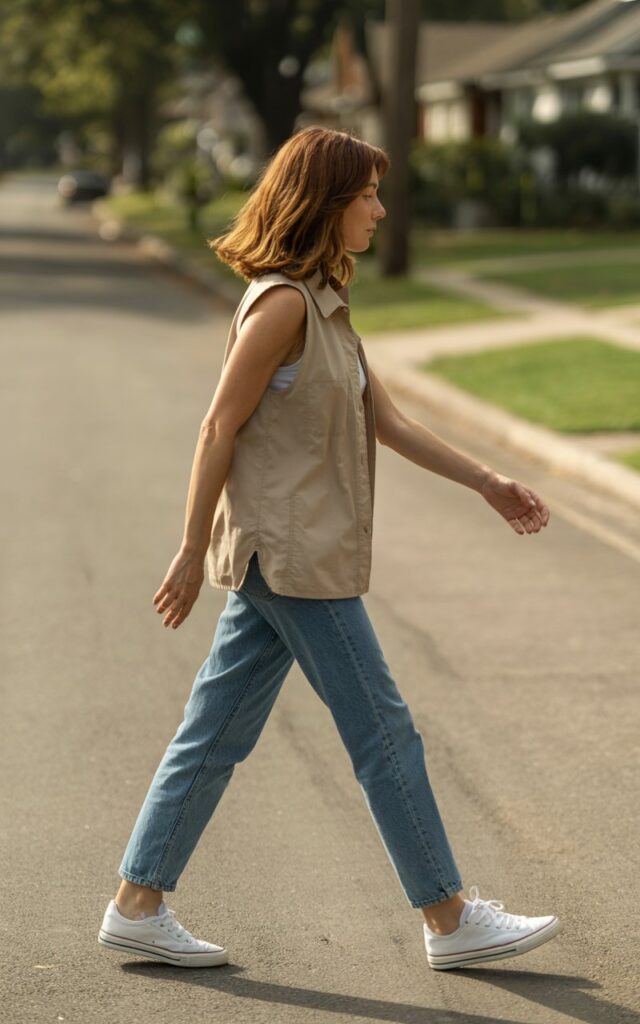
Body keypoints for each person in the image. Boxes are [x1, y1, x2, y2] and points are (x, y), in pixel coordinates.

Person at [98, 126, 561, 971]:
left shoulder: (324, 306)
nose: (381, 210)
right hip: (293, 558)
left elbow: (388, 423)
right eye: (368, 196)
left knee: (214, 732)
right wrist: (187, 547)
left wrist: (489, 482)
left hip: (295, 557)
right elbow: (217, 426)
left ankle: (139, 900)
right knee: (384, 732)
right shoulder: (280, 307)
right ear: (326, 204)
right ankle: (450, 918)